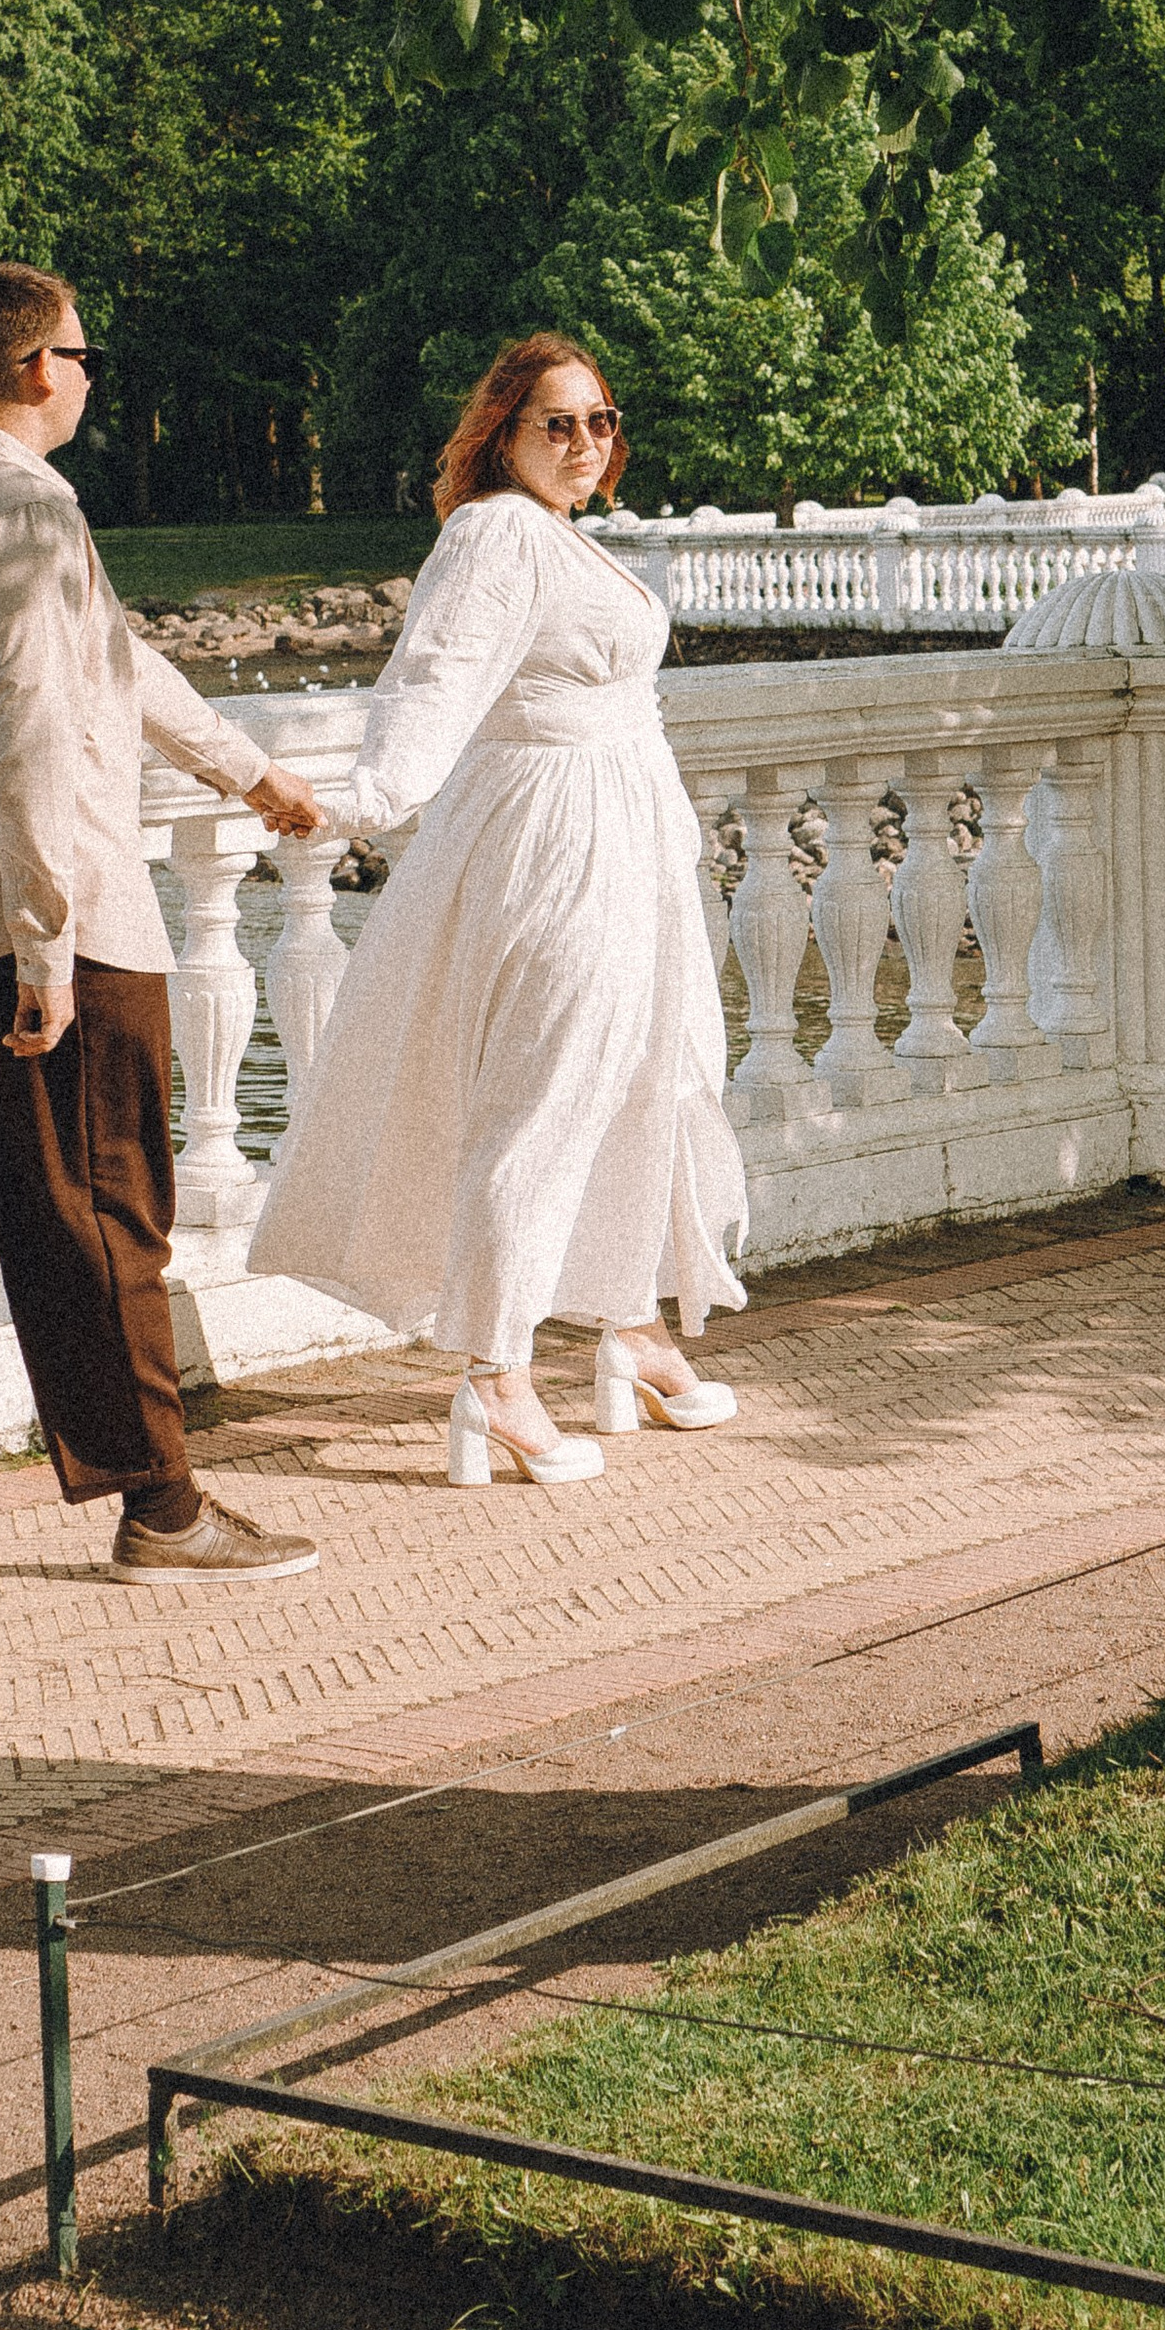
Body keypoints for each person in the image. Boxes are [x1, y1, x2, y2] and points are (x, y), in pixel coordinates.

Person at [0, 260, 330, 1604]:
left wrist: (248, 774)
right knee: (103, 1216)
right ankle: (163, 1510)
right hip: (45, 927)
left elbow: (109, 665)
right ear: (41, 370)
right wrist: (47, 950)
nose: (88, 376)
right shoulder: (26, 507)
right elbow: (30, 734)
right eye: (83, 357)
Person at [251, 334, 746, 1485]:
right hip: (556, 843)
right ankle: (495, 1371)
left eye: (601, 421)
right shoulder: (491, 534)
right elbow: (431, 686)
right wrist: (357, 805)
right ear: (501, 434)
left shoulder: (561, 535)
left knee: (648, 1076)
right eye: (556, 423)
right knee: (546, 1094)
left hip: (626, 838)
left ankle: (628, 1322)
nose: (585, 443)